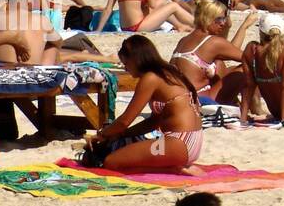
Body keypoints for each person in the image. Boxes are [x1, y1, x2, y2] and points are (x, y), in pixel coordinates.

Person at [85, 35, 203, 170]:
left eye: (126, 63)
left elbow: (125, 120)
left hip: (178, 142)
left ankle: (170, 169)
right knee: (123, 148)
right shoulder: (168, 72)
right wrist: (121, 134)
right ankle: (171, 164)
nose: (125, 69)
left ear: (135, 59)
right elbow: (154, 121)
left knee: (111, 162)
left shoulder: (151, 78)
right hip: (191, 141)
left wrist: (101, 134)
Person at [171, 0, 255, 103]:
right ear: (207, 18)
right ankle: (255, 108)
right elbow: (250, 59)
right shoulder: (213, 42)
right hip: (199, 100)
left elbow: (230, 50)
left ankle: (237, 104)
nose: (223, 23)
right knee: (247, 68)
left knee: (219, 64)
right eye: (219, 19)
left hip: (179, 98)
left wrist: (244, 27)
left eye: (224, 19)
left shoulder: (184, 40)